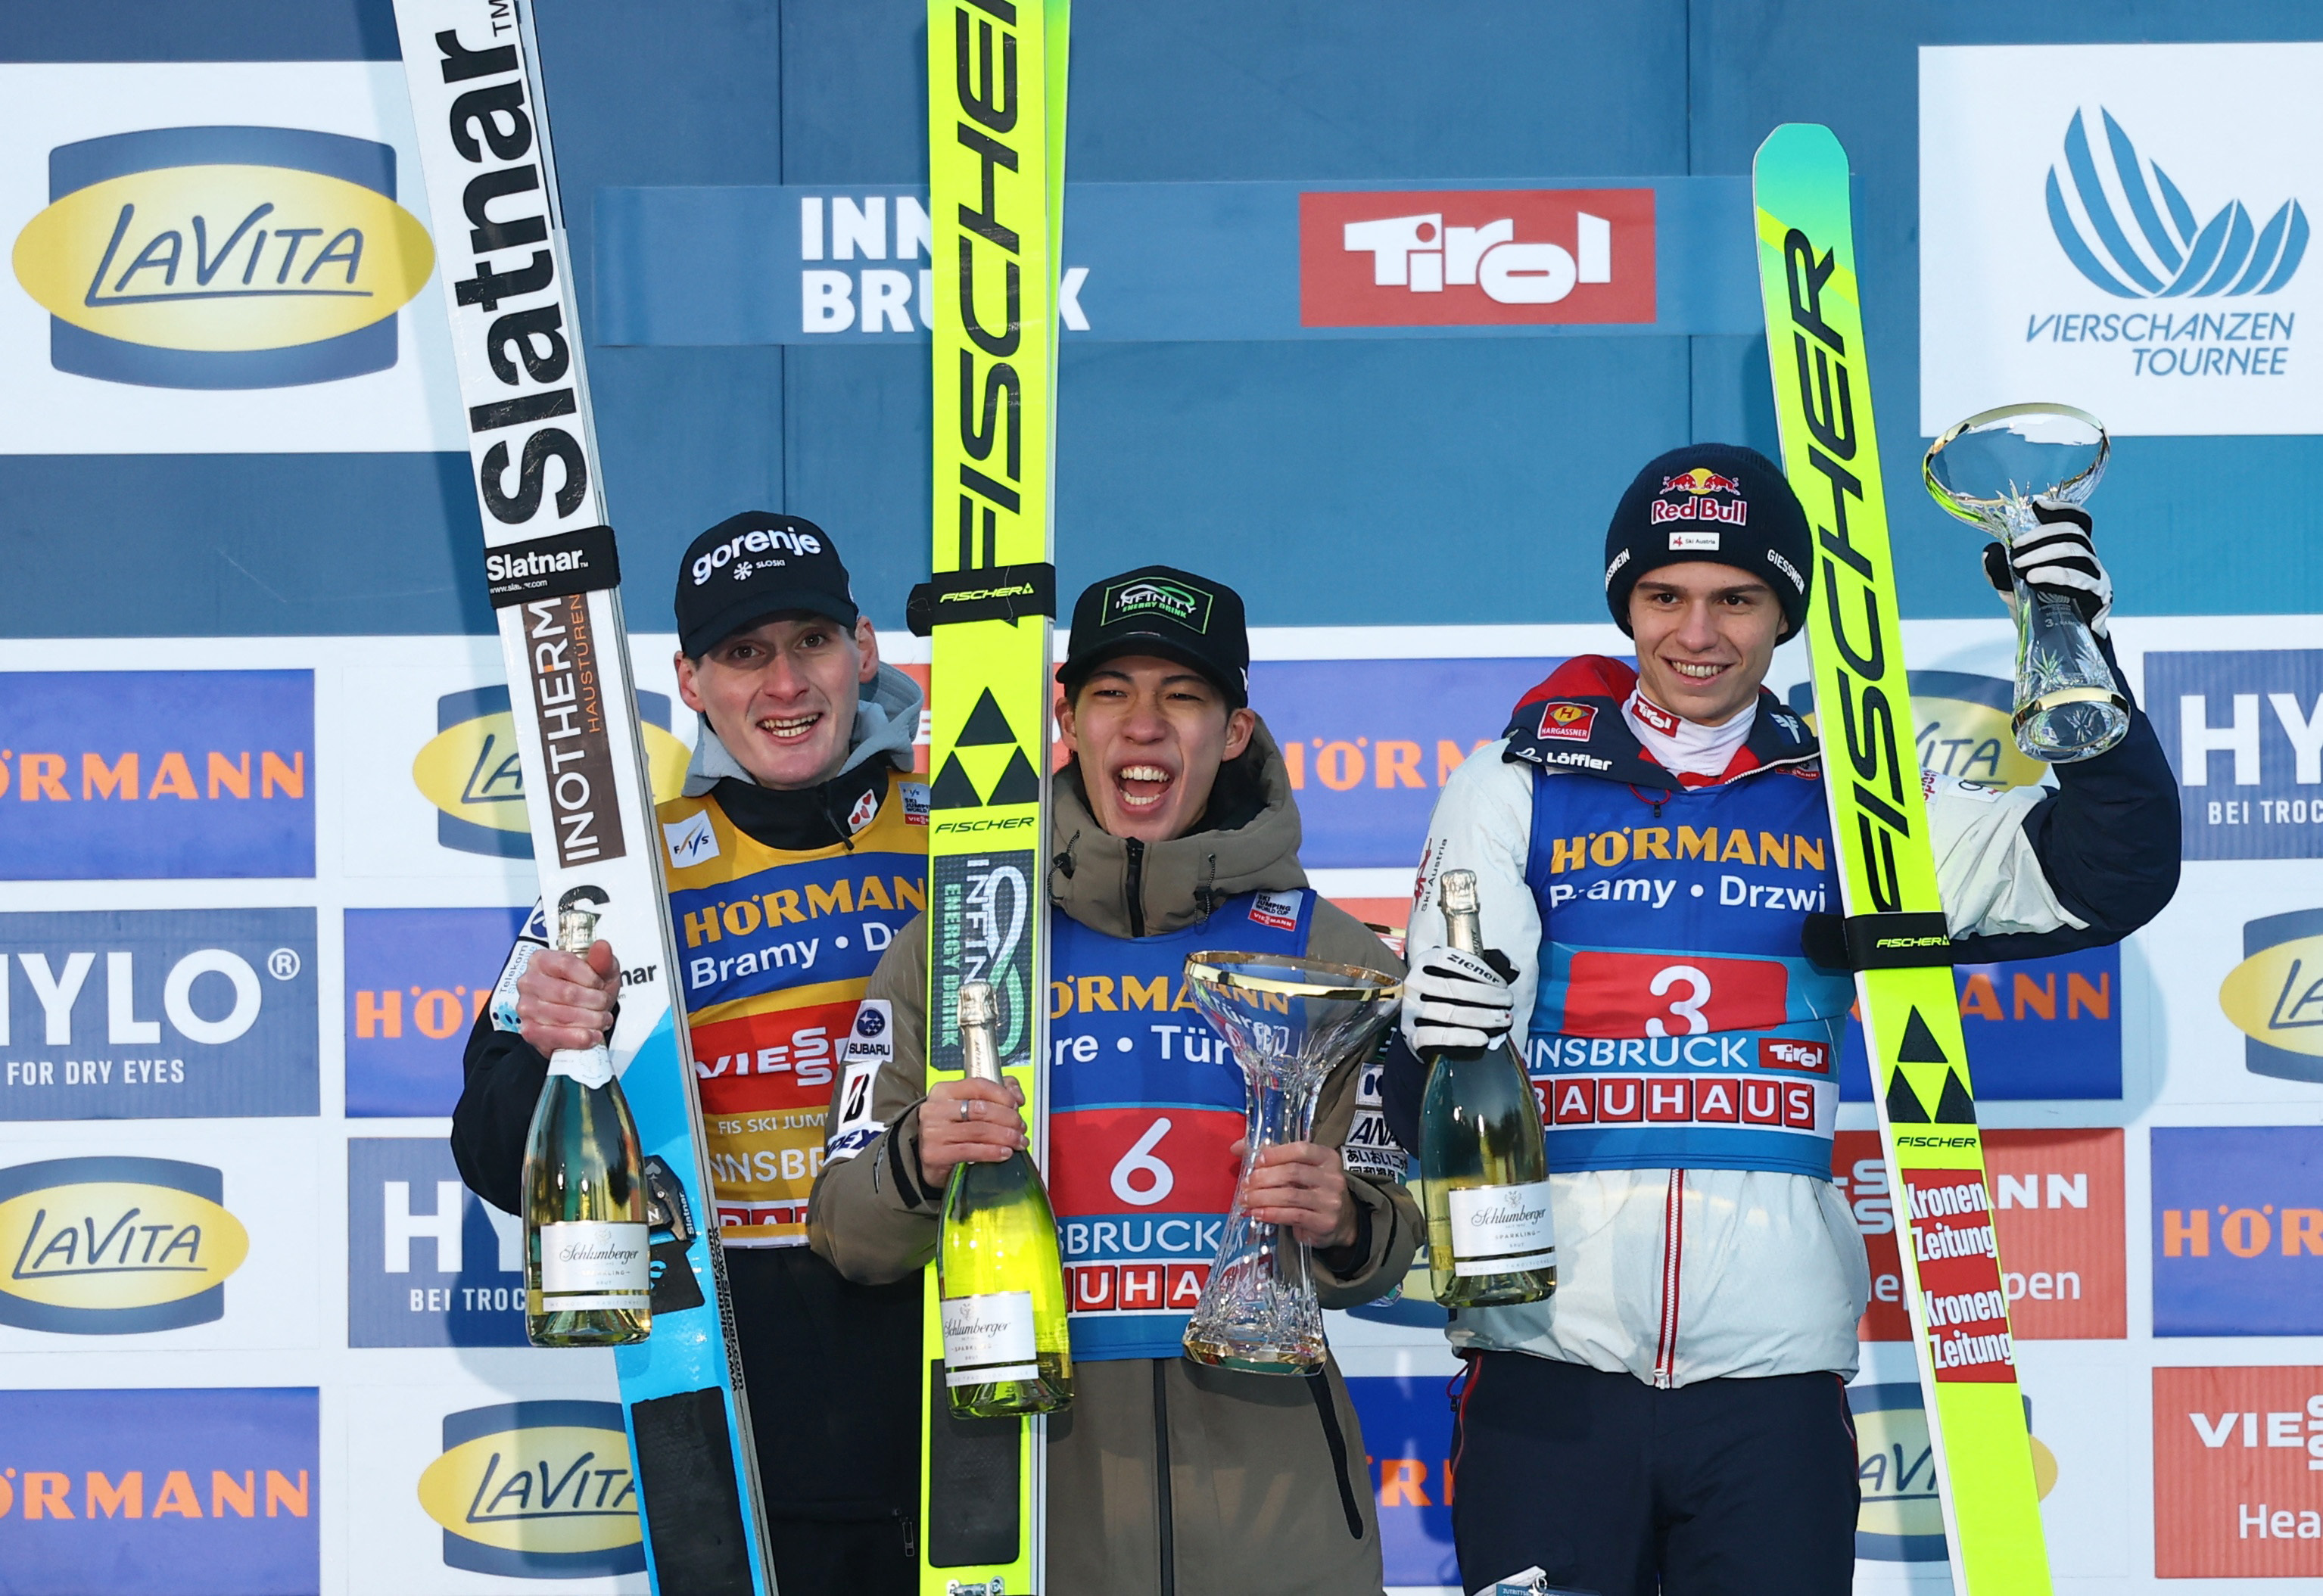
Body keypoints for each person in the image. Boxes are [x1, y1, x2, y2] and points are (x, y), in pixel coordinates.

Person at [1380, 444, 2179, 1596]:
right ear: (1625, 605)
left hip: (1771, 1388)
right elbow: (1435, 1096)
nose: (1697, 633)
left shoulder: (1854, 799)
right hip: (1548, 1375)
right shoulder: (1512, 784)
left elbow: (2109, 872)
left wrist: (2072, 647)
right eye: (1665, 595)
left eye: (1737, 599)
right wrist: (1434, 1040)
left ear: (1784, 616)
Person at [810, 566, 1421, 1596]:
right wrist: (917, 1161)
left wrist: (1346, 1218)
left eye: (1182, 696)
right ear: (1066, 719)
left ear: (1234, 730)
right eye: (1110, 693)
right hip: (1034, 1512)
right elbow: (845, 1231)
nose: (1143, 725)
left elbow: (1396, 1237)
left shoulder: (1332, 956)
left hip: (1279, 1525)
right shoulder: (957, 946)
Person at [451, 512, 930, 1596]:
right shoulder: (625, 877)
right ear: (689, 680)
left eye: (810, 642)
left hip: (964, 1389)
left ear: (862, 649)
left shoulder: (967, 839)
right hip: (736, 1413)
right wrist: (551, 1048)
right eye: (744, 653)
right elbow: (485, 1147)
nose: (784, 684)